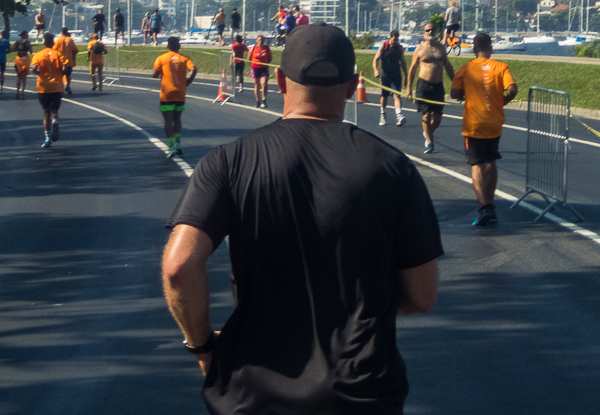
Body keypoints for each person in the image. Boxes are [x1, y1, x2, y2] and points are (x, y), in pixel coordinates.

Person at [160, 22, 441, 414]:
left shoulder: (228, 161)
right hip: (361, 395)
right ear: (352, 85)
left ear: (279, 80)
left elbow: (178, 267)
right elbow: (421, 296)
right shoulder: (394, 167)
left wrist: (203, 346)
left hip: (253, 394)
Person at [451, 32, 518, 226]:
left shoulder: (466, 68)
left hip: (474, 123)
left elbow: (454, 93)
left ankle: (484, 208)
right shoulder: (501, 67)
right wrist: (502, 101)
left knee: (476, 164)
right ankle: (491, 204)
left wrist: (468, 91)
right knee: (490, 161)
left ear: (474, 49)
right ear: (491, 49)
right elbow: (512, 89)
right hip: (494, 121)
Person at [405, 22, 454, 153]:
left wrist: (455, 82)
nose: (430, 32)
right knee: (426, 115)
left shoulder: (441, 48)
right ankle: (429, 140)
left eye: (432, 30)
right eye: (427, 30)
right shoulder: (419, 50)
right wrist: (408, 88)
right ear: (423, 32)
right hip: (423, 86)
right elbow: (412, 69)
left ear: (435, 31)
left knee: (437, 117)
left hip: (438, 86)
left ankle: (428, 133)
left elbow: (448, 67)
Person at [152, 36, 197, 159]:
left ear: (167, 46)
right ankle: (178, 144)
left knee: (168, 121)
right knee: (177, 119)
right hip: (180, 94)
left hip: (167, 94)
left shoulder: (161, 58)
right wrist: (189, 81)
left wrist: (160, 72)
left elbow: (155, 75)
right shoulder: (184, 58)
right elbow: (194, 69)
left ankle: (171, 146)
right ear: (179, 46)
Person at [31, 33, 66, 148]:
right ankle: (55, 121)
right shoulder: (58, 54)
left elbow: (34, 69)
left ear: (44, 42)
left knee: (46, 112)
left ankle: (47, 138)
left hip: (43, 87)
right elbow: (64, 69)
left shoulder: (38, 55)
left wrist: (40, 73)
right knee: (54, 110)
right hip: (56, 86)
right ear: (53, 42)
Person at [372, 29, 409, 128]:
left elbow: (403, 63)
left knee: (396, 95)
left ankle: (399, 116)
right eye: (393, 40)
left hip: (396, 74)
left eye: (396, 40)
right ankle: (383, 114)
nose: (395, 42)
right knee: (384, 96)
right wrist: (375, 70)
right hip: (385, 74)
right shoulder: (384, 46)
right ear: (390, 38)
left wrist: (406, 76)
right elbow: (375, 59)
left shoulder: (399, 48)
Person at [249, 34, 272, 108]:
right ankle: (257, 101)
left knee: (264, 83)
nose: (260, 41)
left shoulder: (266, 48)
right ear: (257, 40)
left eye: (262, 40)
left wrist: (264, 63)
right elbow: (249, 58)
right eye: (259, 40)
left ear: (264, 41)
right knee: (257, 84)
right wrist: (255, 62)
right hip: (255, 68)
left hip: (264, 68)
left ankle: (264, 99)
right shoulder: (253, 48)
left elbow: (270, 58)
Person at [53, 27, 78, 95]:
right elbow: (75, 50)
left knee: (60, 75)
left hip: (60, 61)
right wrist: (74, 59)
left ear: (61, 32)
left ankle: (61, 88)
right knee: (68, 75)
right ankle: (68, 86)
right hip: (69, 61)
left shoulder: (58, 40)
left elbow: (54, 50)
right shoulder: (70, 40)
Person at [14, 32, 32, 100]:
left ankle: (17, 92)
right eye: (27, 35)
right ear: (24, 35)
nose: (28, 36)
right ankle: (22, 92)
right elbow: (30, 51)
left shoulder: (17, 42)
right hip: (25, 59)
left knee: (18, 76)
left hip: (18, 59)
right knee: (24, 77)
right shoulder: (28, 42)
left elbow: (13, 49)